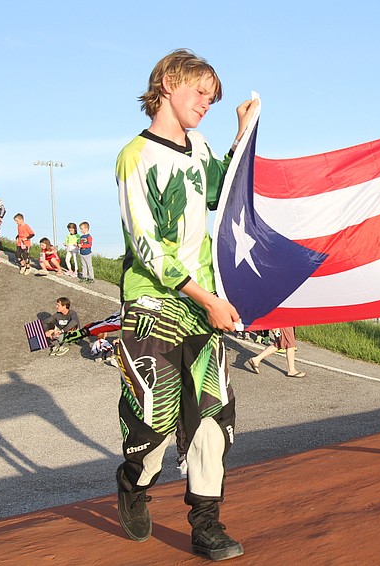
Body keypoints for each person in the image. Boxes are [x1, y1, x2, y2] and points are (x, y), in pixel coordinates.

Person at [114, 49, 258, 560]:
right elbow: (148, 245)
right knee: (153, 421)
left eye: (213, 98)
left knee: (211, 418)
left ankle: (206, 524)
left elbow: (221, 190)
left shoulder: (199, 145)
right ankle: (134, 480)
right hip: (155, 302)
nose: (206, 104)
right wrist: (206, 297)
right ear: (169, 83)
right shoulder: (136, 155)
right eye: (200, 92)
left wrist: (241, 134)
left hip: (203, 308)